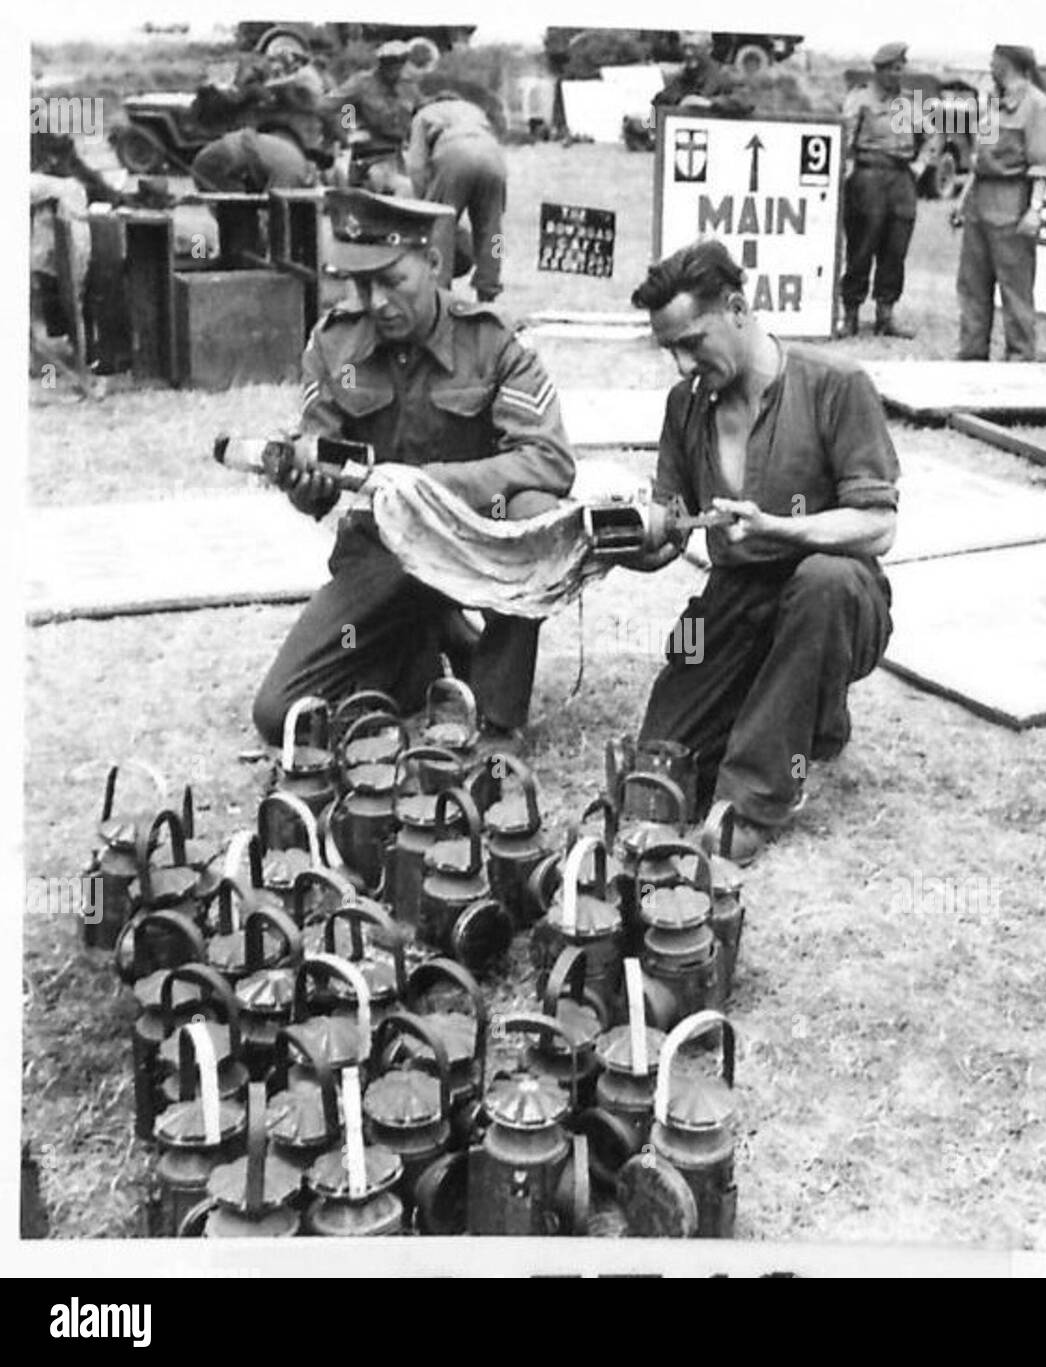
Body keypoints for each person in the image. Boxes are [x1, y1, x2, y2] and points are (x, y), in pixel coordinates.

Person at [251, 188, 576, 749]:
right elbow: (323, 488)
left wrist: (427, 487)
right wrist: (303, 483)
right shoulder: (335, 345)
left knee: (534, 513)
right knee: (281, 714)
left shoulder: (493, 341)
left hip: (481, 543)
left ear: (432, 264)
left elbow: (549, 460)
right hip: (387, 552)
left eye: (391, 280)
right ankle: (429, 639)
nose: (375, 301)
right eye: (360, 284)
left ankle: (497, 717)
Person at [620, 239, 899, 865]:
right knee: (664, 760)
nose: (683, 365)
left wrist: (779, 527)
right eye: (670, 349)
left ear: (740, 308)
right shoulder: (684, 406)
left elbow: (879, 525)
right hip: (733, 597)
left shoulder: (836, 385)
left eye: (693, 342)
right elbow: (671, 531)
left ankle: (756, 798)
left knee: (823, 584)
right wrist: (625, 541)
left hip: (835, 596)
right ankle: (811, 718)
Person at [951, 45, 1046, 361]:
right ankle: (972, 355)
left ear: (1007, 61)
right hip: (980, 201)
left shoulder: (1038, 106)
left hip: (1012, 201)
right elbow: (978, 160)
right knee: (972, 287)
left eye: (994, 58)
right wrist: (962, 199)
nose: (989, 62)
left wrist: (1035, 209)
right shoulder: (992, 104)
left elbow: (1042, 164)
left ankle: (1020, 359)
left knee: (1015, 289)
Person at [839, 42, 940, 338]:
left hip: (901, 180)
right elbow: (846, 138)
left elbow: (933, 135)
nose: (899, 75)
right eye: (894, 70)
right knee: (861, 247)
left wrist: (920, 166)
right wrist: (847, 172)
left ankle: (886, 314)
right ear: (880, 70)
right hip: (868, 177)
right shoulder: (860, 99)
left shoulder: (908, 103)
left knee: (896, 248)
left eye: (901, 69)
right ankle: (851, 315)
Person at [406, 93, 509, 302]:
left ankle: (440, 291)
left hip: (454, 152)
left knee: (440, 226)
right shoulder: (473, 109)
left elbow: (416, 165)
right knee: (492, 231)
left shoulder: (423, 115)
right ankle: (489, 289)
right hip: (494, 156)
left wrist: (422, 200)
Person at [321, 40, 419, 194]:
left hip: (399, 158)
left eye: (399, 63)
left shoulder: (410, 86)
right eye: (389, 64)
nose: (394, 69)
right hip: (368, 158)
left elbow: (419, 115)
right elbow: (327, 106)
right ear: (381, 64)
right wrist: (345, 135)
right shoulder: (361, 83)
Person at [652, 31, 753, 116]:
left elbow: (745, 101)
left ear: (709, 48)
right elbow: (657, 105)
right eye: (684, 47)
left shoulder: (725, 75)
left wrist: (708, 103)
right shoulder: (680, 79)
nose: (688, 53)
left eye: (694, 48)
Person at [191, 128, 318, 192]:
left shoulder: (296, 159)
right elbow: (274, 202)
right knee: (234, 208)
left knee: (234, 206)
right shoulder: (292, 174)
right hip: (220, 159)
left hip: (220, 150)